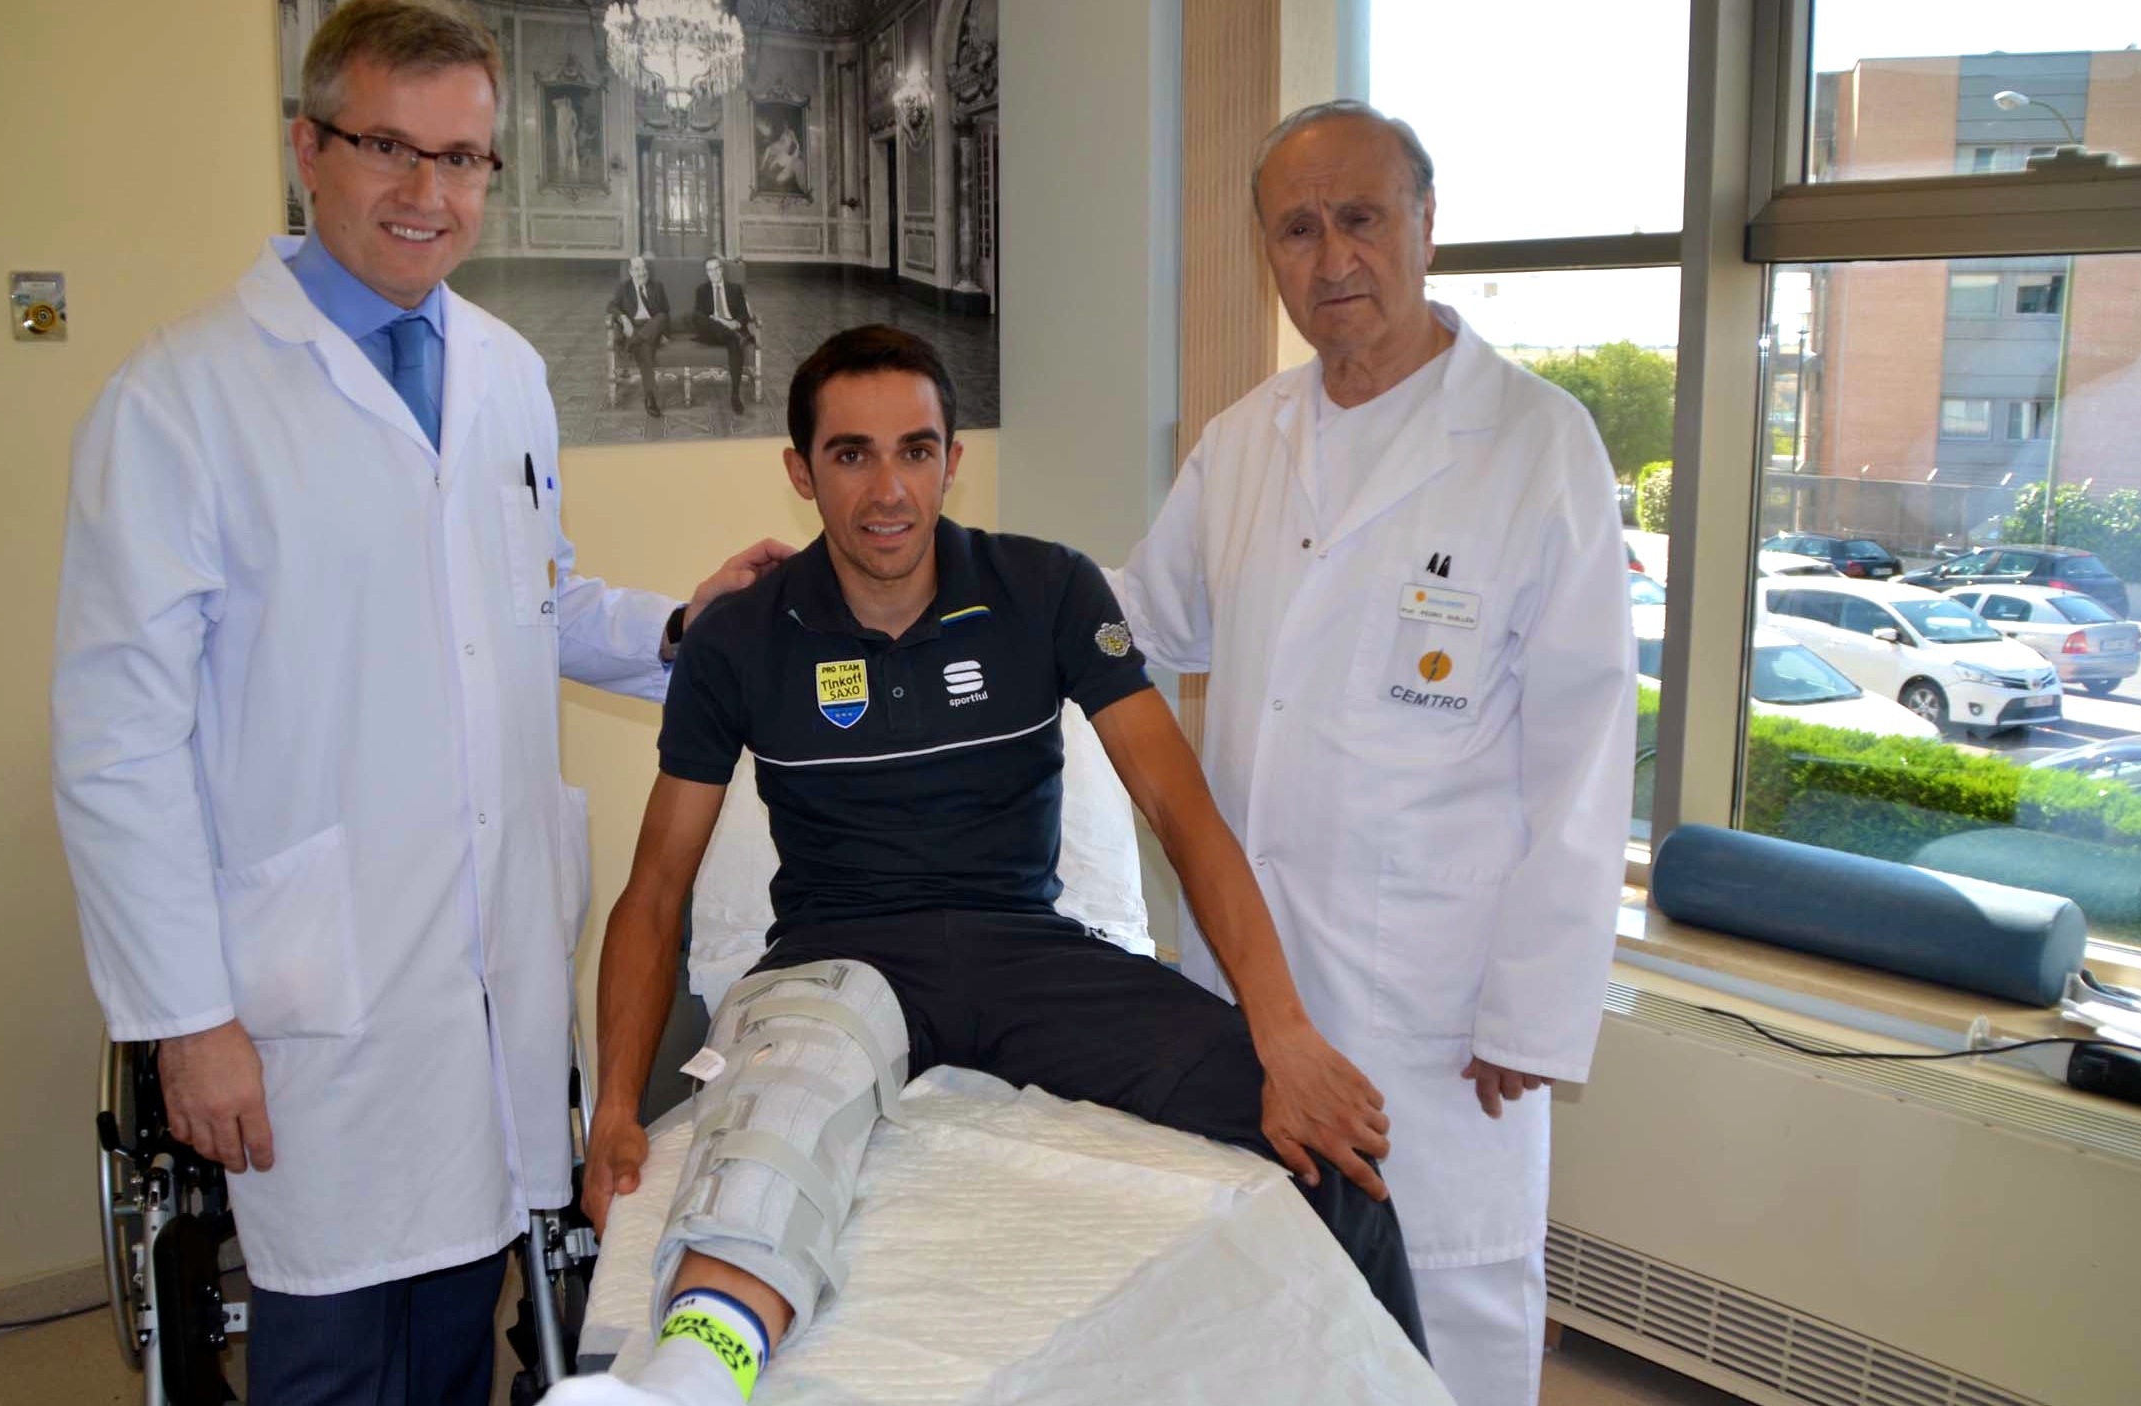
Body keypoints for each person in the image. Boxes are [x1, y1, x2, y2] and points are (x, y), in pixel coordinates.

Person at [49, 4, 793, 1402]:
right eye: (389, 147)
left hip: (488, 967)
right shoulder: (179, 401)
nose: (429, 192)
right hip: (311, 994)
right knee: (331, 1347)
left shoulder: (506, 372)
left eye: (462, 159)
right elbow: (116, 745)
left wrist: (680, 630)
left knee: (461, 1327)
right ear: (307, 149)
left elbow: (526, 600)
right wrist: (185, 1016)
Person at [548, 326, 1423, 1406]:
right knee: (777, 1122)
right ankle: (688, 1379)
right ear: (800, 471)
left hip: (1029, 959)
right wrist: (616, 1109)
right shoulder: (739, 637)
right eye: (851, 454)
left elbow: (1180, 810)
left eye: (915, 451)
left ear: (951, 461)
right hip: (835, 964)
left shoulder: (1045, 589)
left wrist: (1282, 1034)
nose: (888, 490)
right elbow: (655, 891)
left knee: (1334, 1156)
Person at [1108, 100, 1635, 1406]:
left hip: (1438, 1008)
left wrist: (1532, 1003)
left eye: (1361, 217)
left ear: (1426, 225)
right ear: (1267, 254)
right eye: (1298, 229)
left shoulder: (1536, 444)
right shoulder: (1245, 440)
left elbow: (1584, 754)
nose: (1333, 256)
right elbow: (1135, 620)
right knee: (1263, 1306)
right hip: (1257, 982)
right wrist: (946, 581)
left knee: (1441, 1319)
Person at [689, 254, 756, 415]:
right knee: (695, 315)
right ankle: (736, 336)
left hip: (731, 332)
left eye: (716, 268)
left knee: (733, 342)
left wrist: (735, 324)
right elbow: (701, 318)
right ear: (707, 273)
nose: (714, 273)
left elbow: (744, 315)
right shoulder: (701, 290)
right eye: (710, 270)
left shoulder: (735, 289)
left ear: (721, 270)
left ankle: (735, 395)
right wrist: (721, 322)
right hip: (713, 334)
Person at [608, 254, 672, 418]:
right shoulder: (624, 288)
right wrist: (623, 318)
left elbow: (665, 312)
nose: (642, 273)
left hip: (652, 327)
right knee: (645, 352)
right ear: (631, 272)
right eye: (637, 269)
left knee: (661, 317)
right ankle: (650, 398)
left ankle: (631, 343)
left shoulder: (657, 286)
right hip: (635, 328)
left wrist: (663, 332)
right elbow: (611, 306)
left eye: (643, 268)